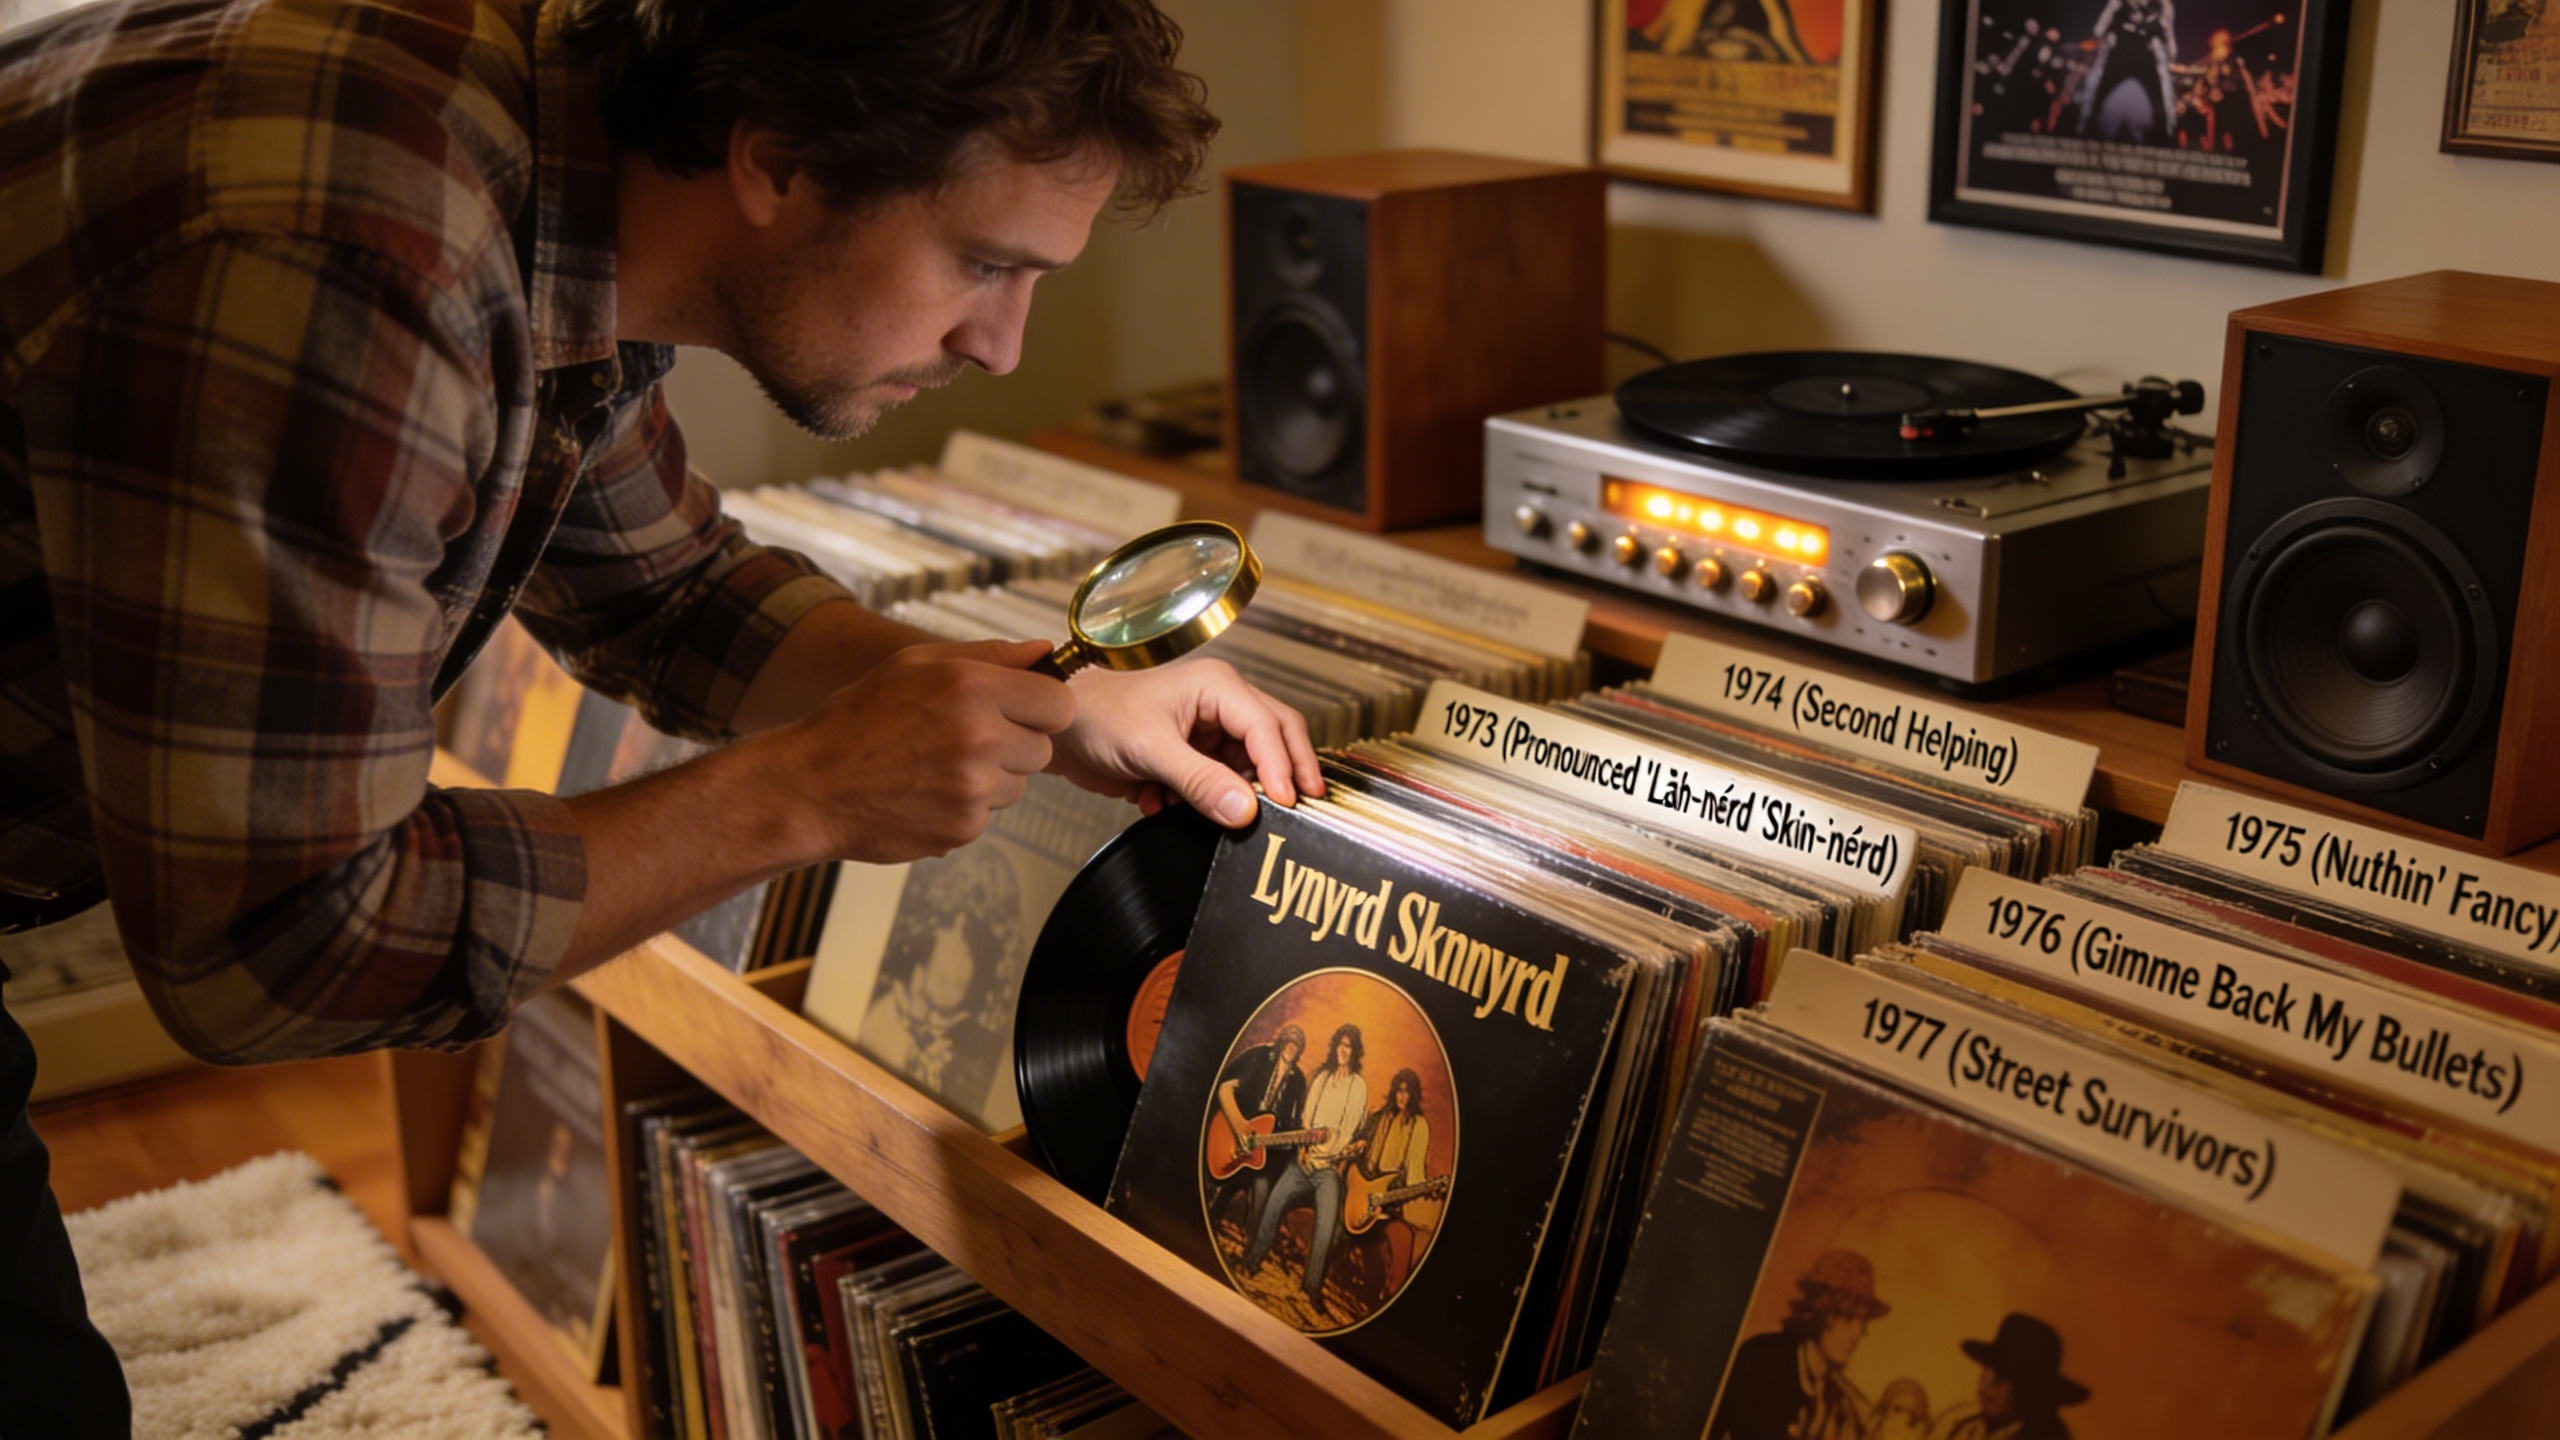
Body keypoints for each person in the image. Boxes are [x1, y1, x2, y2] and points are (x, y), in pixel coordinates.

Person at [0, 0, 1323, 1431]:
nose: (1002, 345)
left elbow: (669, 589)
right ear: (778, 159)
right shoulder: (360, 248)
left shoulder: (544, 173)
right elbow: (284, 945)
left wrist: (1055, 698)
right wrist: (805, 795)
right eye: (985, 262)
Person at [1240, 1022, 1364, 1317]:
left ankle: (1310, 1289)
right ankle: (1251, 1262)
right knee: (1272, 1204)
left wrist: (1326, 1153)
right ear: (1335, 1047)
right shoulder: (1320, 1078)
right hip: (1303, 1163)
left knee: (1325, 1228)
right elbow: (1307, 1118)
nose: (1343, 1051)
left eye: (1349, 1046)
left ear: (1354, 1051)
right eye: (1340, 1045)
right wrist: (1306, 1148)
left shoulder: (1358, 1086)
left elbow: (1347, 1130)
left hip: (1328, 1171)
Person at [1710, 1249, 1891, 1440]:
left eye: (1862, 1321)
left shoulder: (1839, 1397)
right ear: (1819, 1310)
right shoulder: (1761, 1358)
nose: (1856, 1334)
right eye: (1847, 1317)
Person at [1208, 1022, 1310, 1236]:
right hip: (1231, 1135)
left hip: (1262, 1152)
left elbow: (1293, 1122)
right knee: (1218, 1195)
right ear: (1282, 1042)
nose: (1292, 1047)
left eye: (1297, 1045)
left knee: (1261, 1194)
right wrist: (1240, 1128)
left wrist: (1301, 1140)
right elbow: (1225, 1089)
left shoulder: (1298, 1081)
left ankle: (1249, 1249)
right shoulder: (1260, 1056)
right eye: (1290, 1042)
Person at [1927, 1313, 2087, 1440]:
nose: (1983, 1384)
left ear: (2029, 1388)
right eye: (1985, 1369)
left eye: (2000, 1376)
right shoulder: (1964, 1424)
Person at [1347, 1066, 1436, 1294]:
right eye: (1399, 1091)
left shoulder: (1419, 1126)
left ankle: (1390, 1292)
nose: (1402, 1096)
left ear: (1413, 1094)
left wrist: (1426, 1189)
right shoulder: (1379, 1117)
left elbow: (1415, 1174)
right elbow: (1359, 1144)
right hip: (1360, 1191)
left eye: (1407, 1092)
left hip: (1389, 1201)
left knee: (1403, 1239)